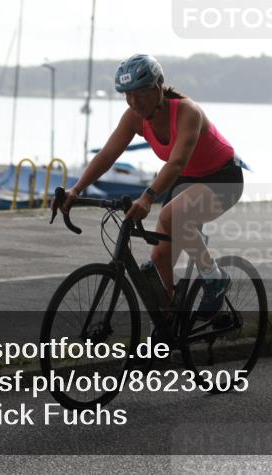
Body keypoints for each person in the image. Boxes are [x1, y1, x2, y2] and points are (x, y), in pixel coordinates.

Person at [62, 54, 243, 318]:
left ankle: (214, 278)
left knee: (172, 215)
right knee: (159, 262)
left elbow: (177, 162)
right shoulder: (134, 117)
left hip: (222, 178)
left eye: (141, 94)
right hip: (186, 180)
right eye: (128, 96)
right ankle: (168, 324)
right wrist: (75, 190)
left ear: (159, 85)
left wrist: (147, 197)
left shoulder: (187, 112)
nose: (135, 102)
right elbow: (107, 155)